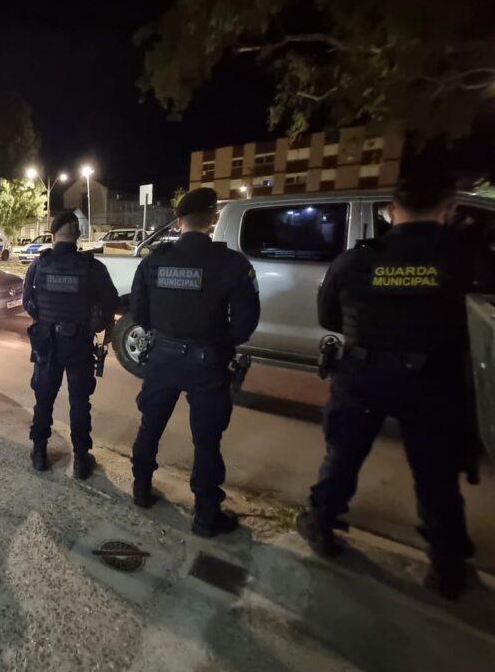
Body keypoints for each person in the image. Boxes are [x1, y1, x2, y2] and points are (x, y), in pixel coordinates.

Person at [297, 172, 491, 600]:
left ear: (391, 210)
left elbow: (329, 317)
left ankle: (321, 525)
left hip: (362, 376)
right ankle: (447, 567)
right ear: (447, 210)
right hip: (433, 381)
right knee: (436, 474)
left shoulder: (356, 260)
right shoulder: (465, 260)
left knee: (342, 459)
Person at [129, 187, 260, 537]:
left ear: (179, 221)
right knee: (206, 440)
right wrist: (219, 344)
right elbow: (245, 323)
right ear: (212, 218)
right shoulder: (232, 263)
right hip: (207, 362)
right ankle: (205, 516)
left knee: (150, 426)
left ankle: (141, 490)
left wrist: (164, 333)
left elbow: (138, 311)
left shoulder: (154, 261)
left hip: (162, 358)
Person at [23, 210, 117, 478]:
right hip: (79, 344)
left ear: (53, 235)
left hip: (47, 343)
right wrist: (101, 327)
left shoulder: (39, 265)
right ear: (77, 235)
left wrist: (46, 320)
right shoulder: (93, 267)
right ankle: (80, 460)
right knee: (79, 402)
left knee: (44, 398)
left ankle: (39, 453)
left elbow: (28, 302)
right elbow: (110, 303)